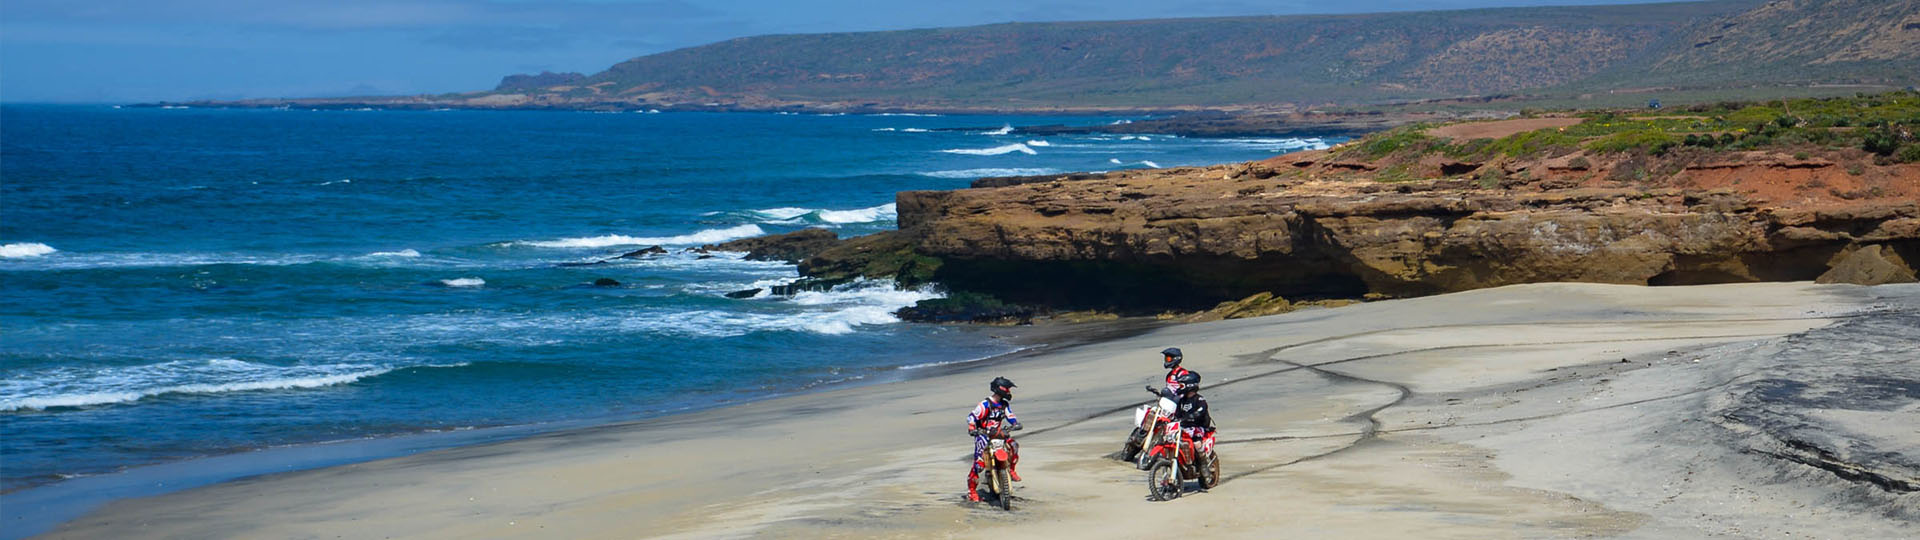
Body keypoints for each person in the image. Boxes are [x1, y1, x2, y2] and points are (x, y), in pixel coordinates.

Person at [965, 376, 1023, 502]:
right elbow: (971, 417)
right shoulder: (985, 404)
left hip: (999, 433)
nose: (1008, 392)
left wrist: (1015, 424)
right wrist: (972, 428)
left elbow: (1011, 416)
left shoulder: (1004, 405)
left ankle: (1012, 470)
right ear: (1000, 389)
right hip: (983, 434)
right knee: (979, 463)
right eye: (1007, 389)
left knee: (1014, 446)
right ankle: (972, 491)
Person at [1171, 371, 1215, 451]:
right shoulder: (1181, 400)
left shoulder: (1199, 399)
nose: (1179, 387)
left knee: (1196, 444)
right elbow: (1176, 413)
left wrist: (1192, 415)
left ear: (1189, 386)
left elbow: (1202, 410)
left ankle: (1203, 461)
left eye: (1181, 385)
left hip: (1197, 426)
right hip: (1184, 426)